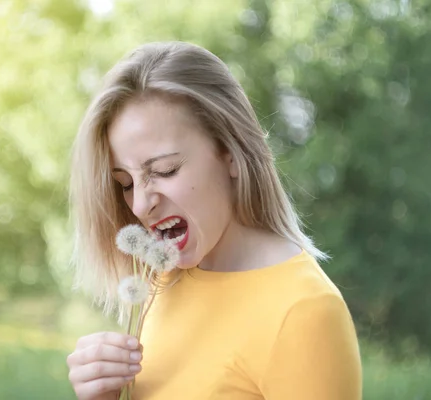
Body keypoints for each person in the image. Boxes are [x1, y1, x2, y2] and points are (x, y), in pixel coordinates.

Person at [66, 41, 362, 400]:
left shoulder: (306, 312)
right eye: (125, 183)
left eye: (164, 170)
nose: (140, 205)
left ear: (231, 153)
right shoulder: (162, 282)